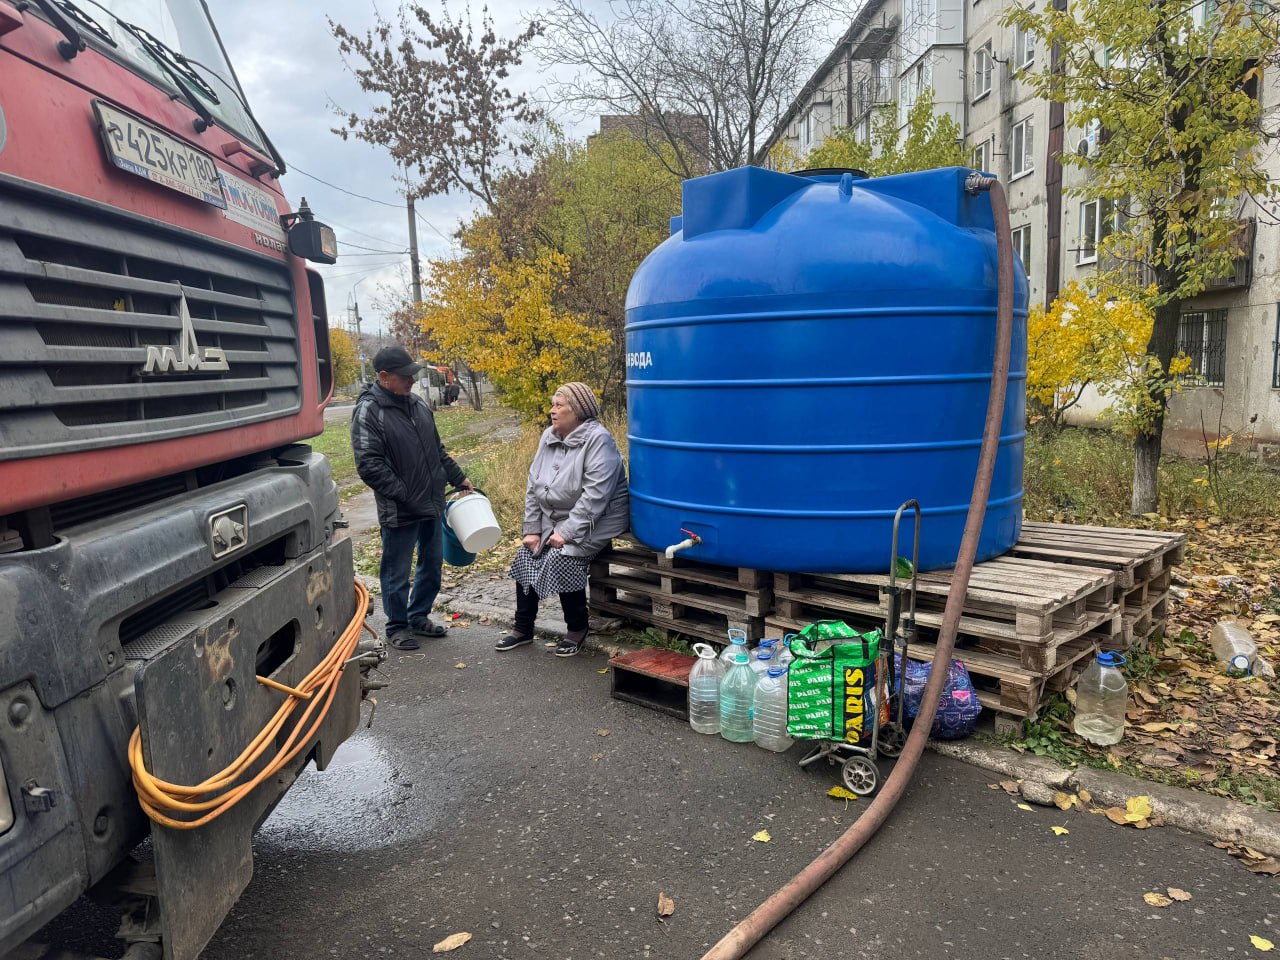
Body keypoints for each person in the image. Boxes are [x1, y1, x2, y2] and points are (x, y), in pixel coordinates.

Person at [351, 345, 473, 651]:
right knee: (397, 571)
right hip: (400, 507)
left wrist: (458, 478)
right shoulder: (369, 410)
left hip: (431, 502)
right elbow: (369, 465)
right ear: (383, 377)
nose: (412, 381)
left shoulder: (418, 405)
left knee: (431, 565)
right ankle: (397, 625)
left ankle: (419, 616)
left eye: (412, 374)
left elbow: (437, 451)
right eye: (405, 376)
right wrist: (405, 493)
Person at [496, 382, 629, 657]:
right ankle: (522, 628)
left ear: (578, 411)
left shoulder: (598, 440)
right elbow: (534, 486)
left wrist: (566, 533)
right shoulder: (549, 436)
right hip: (555, 519)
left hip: (598, 520)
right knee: (526, 555)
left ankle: (577, 629)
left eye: (559, 406)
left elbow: (595, 497)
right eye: (552, 404)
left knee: (561, 557)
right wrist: (533, 530)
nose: (552, 411)